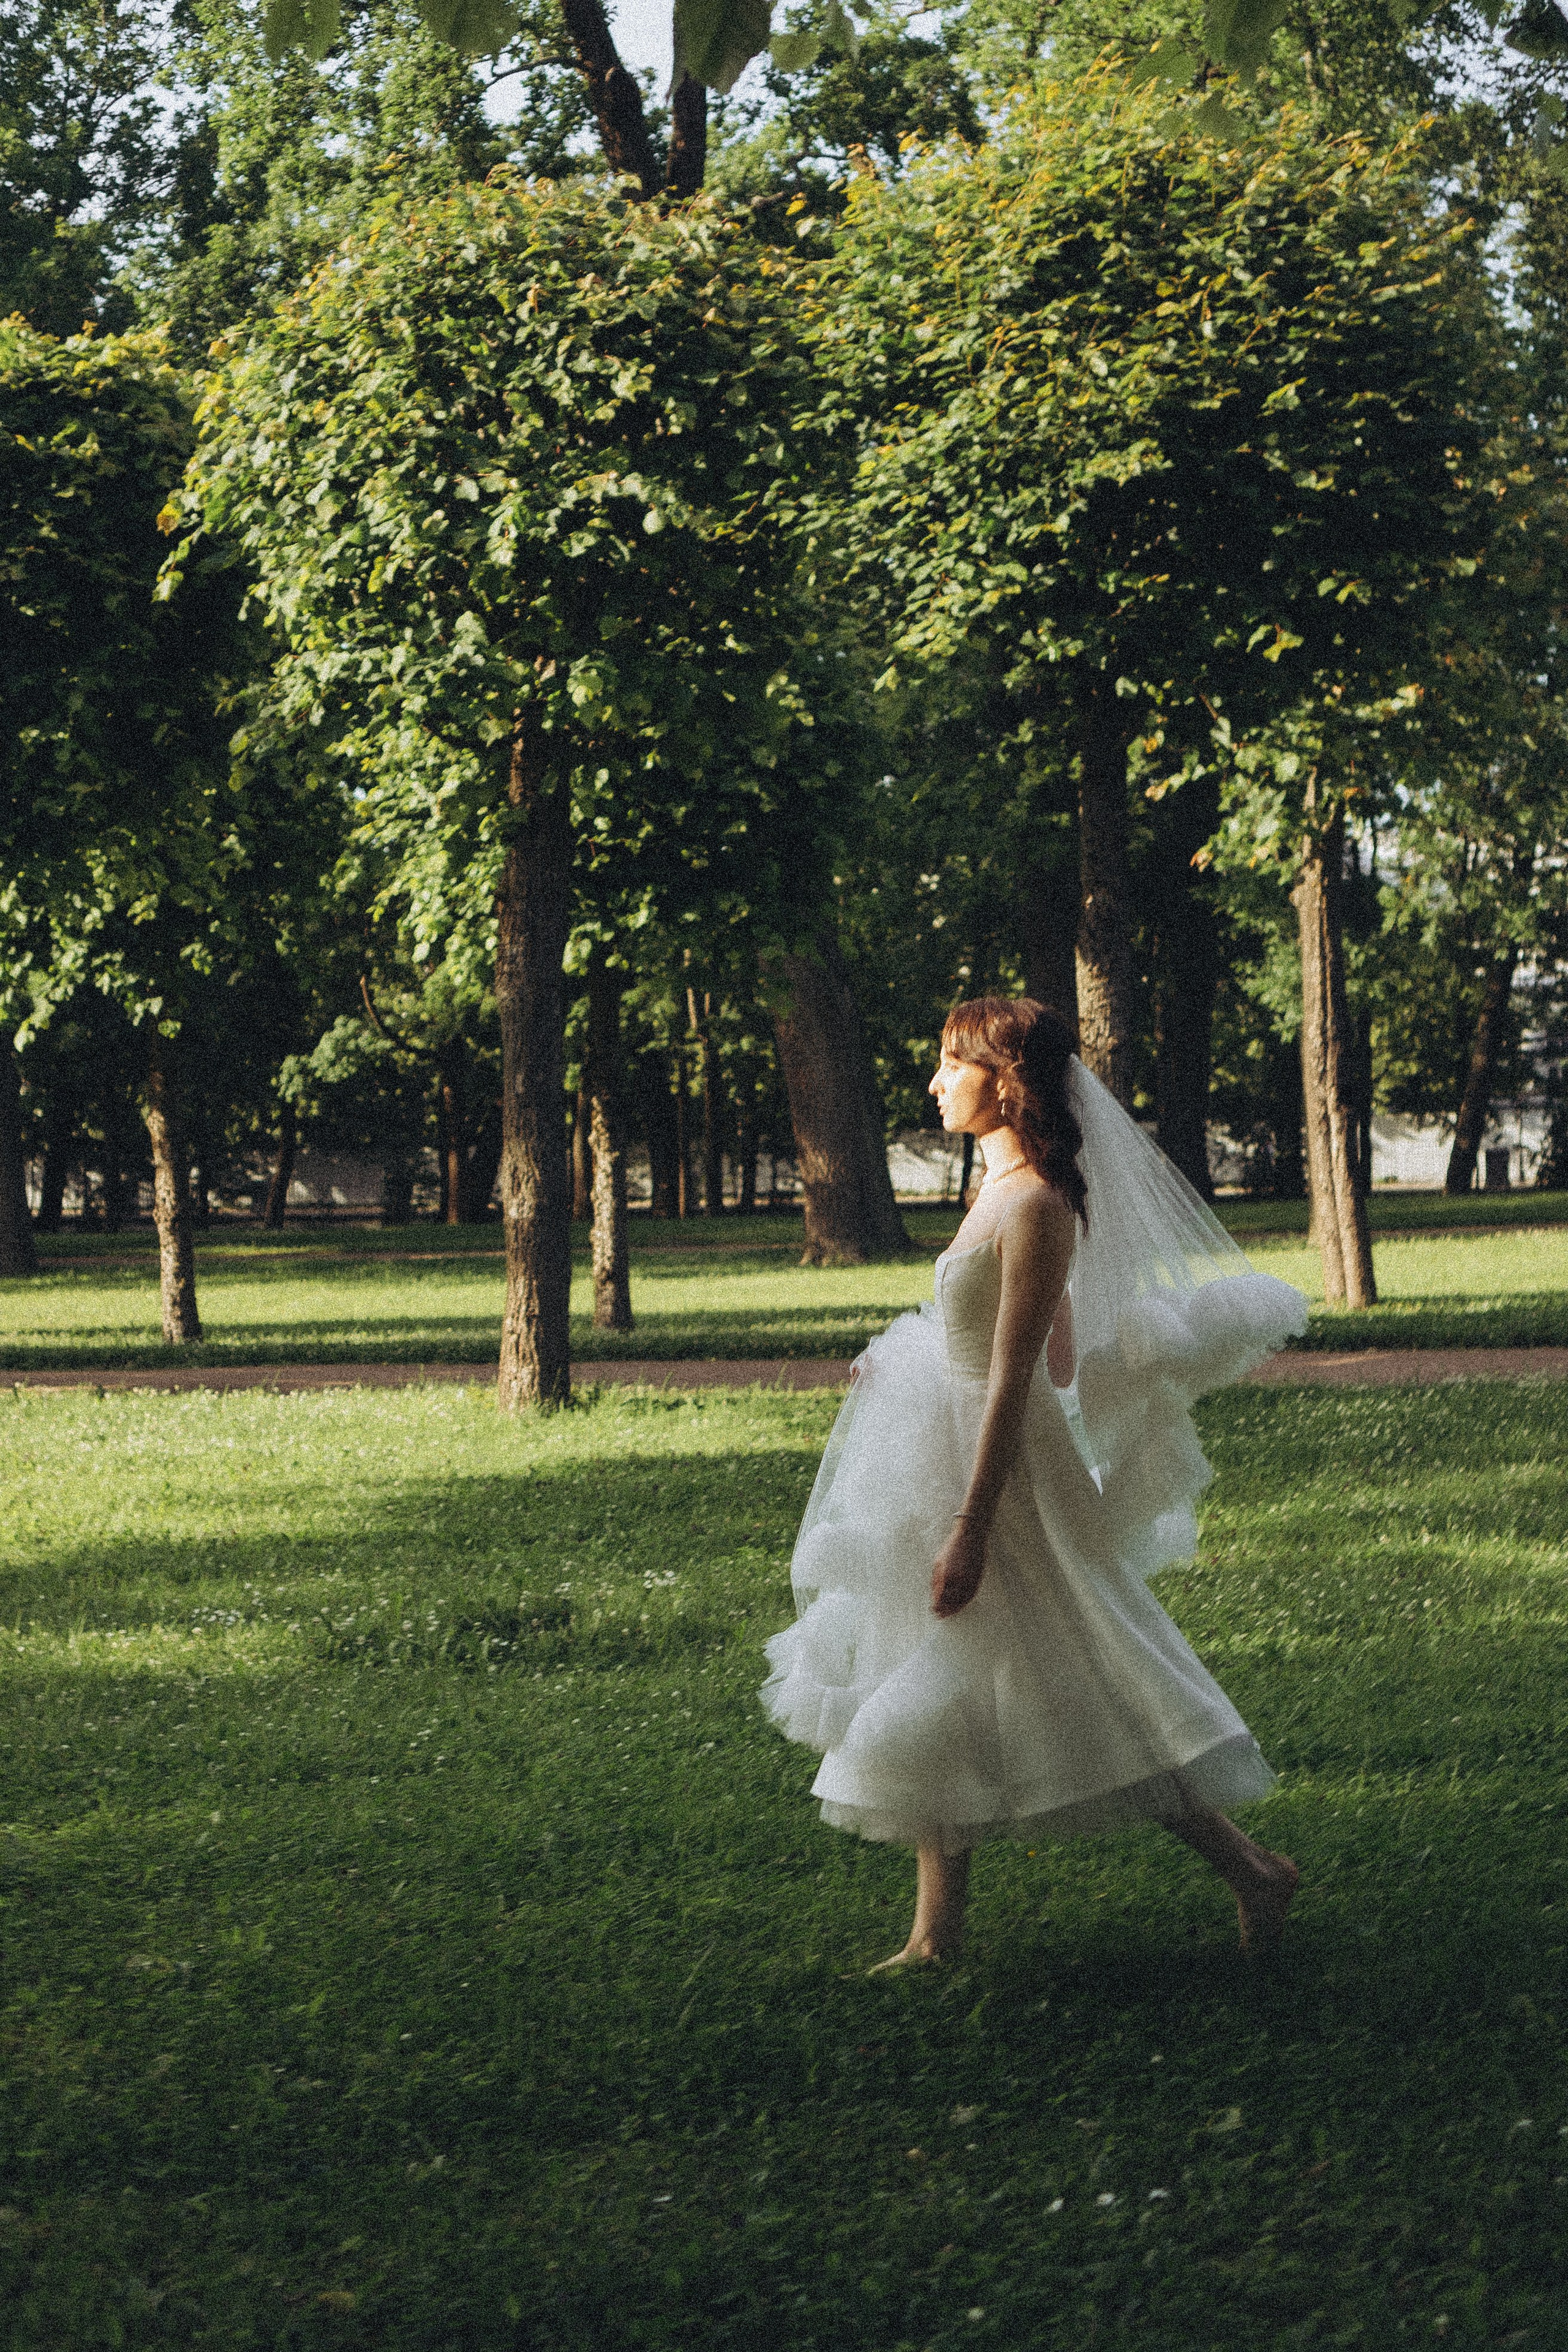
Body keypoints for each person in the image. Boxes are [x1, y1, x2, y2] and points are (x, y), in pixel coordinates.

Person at [761, 996, 1308, 1970]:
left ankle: (1255, 1871)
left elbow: (1022, 1378)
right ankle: (937, 1934)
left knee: (1089, 1663)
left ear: (1004, 1081)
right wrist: (911, 1361)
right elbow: (1036, 1341)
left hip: (1003, 1470)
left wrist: (972, 1523)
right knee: (940, 1668)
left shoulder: (1039, 1205)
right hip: (960, 1443)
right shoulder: (996, 1188)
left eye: (950, 1065)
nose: (934, 1083)